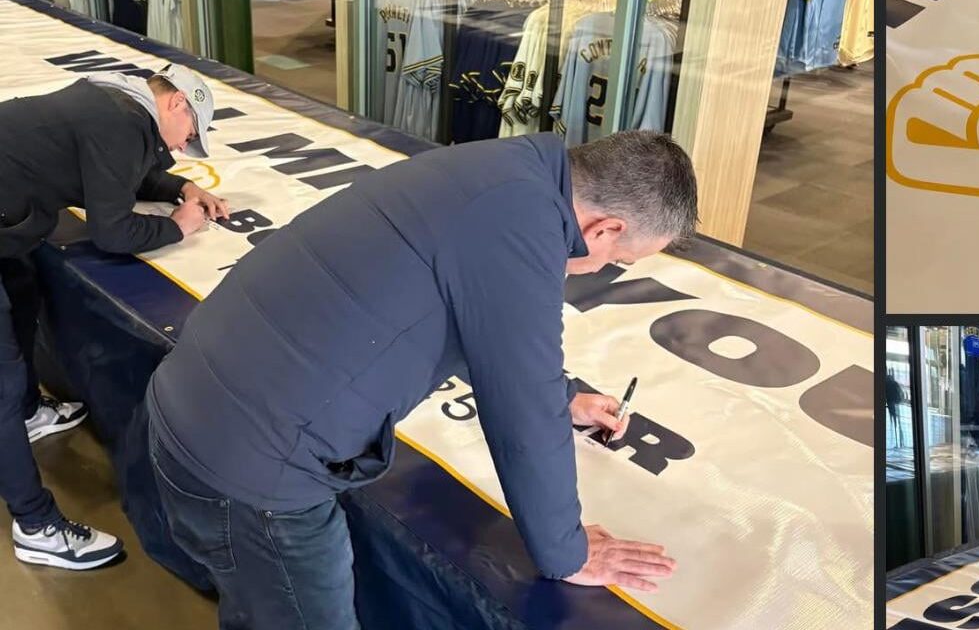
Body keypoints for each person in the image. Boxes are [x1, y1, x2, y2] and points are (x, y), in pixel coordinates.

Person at [146, 130, 698, 629]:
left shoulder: (507, 166)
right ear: (606, 228)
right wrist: (568, 553)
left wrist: (568, 396)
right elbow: (523, 416)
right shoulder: (523, 229)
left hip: (194, 400)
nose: (603, 268)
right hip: (251, 469)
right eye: (617, 259)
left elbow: (484, 324)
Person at [0, 64, 226, 570]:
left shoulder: (114, 101)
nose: (184, 145)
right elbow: (113, 232)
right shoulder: (120, 121)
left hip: (7, 222)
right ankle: (36, 526)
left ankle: (28, 411)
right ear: (174, 104)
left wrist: (180, 189)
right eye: (190, 133)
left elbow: (122, 169)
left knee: (22, 287)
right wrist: (179, 229)